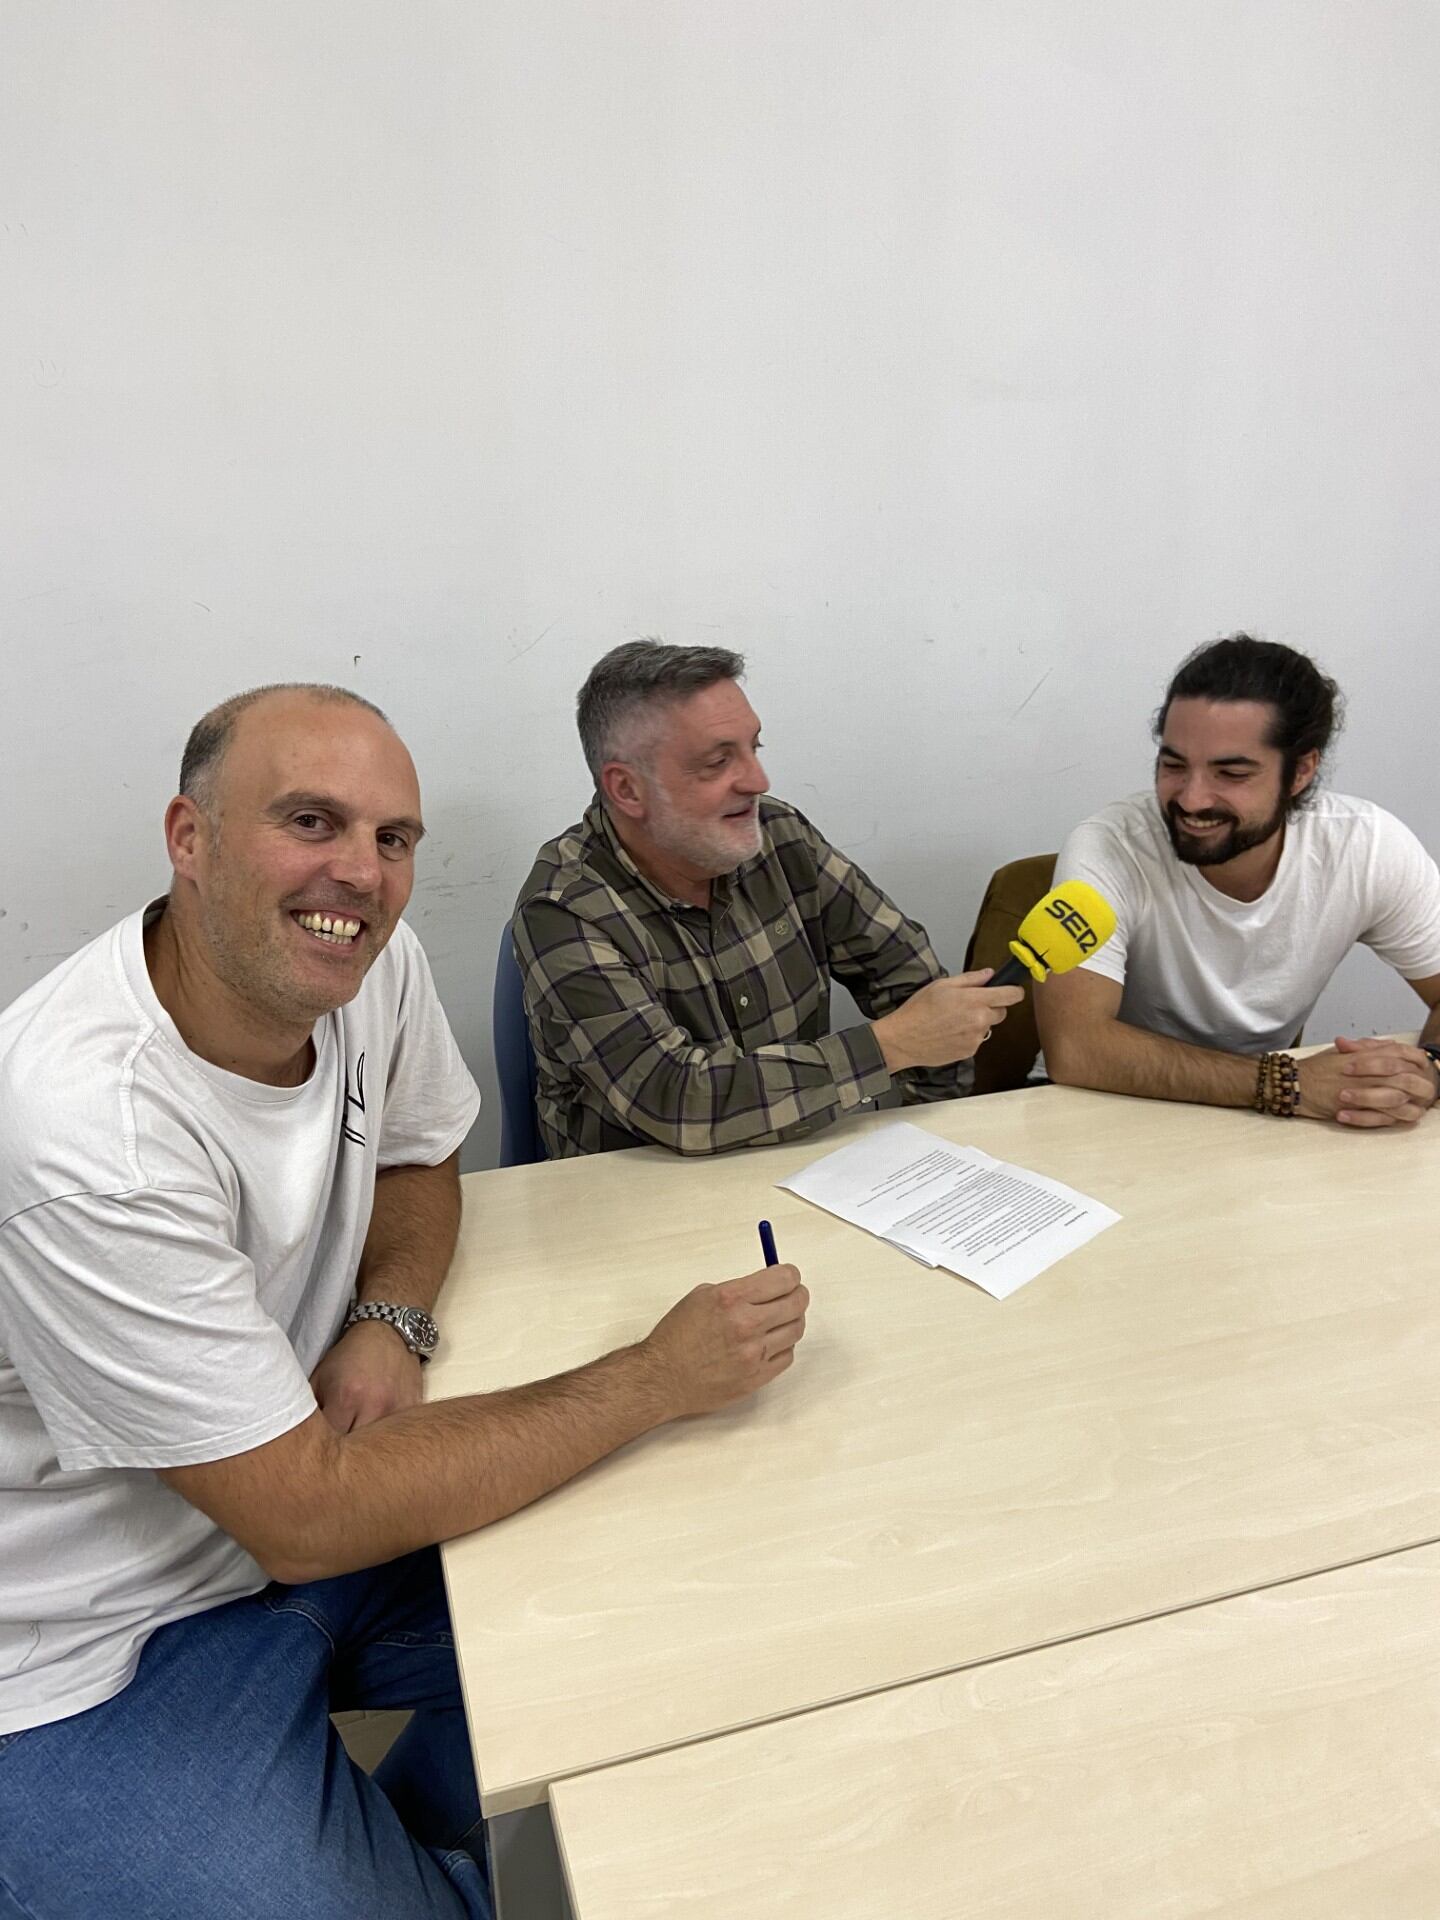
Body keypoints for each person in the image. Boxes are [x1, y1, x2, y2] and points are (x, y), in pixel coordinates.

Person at [0, 683, 808, 1920]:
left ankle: (411, 1823)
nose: (361, 876)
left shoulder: (364, 964)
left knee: (687, 1635)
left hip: (289, 1509)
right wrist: (652, 1377)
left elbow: (422, 1150)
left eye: (393, 839)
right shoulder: (86, 1132)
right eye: (311, 822)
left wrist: (390, 1318)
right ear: (189, 839)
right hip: (82, 1646)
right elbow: (305, 1520)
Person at [513, 641, 1022, 1157]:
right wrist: (891, 1045)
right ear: (627, 790)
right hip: (646, 1196)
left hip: (811, 1166)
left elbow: (908, 977)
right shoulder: (563, 908)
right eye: (718, 761)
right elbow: (679, 1103)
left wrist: (926, 1138)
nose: (758, 781)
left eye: (755, 748)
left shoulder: (778, 836)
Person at [1036, 635, 1440, 1125]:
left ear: (1301, 772)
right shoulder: (1111, 845)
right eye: (1173, 765)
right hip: (1110, 1108)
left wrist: (1428, 1071)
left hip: (1260, 1126)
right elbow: (1077, 1048)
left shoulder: (1367, 847)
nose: (1191, 798)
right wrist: (1283, 1085)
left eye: (1231, 773)